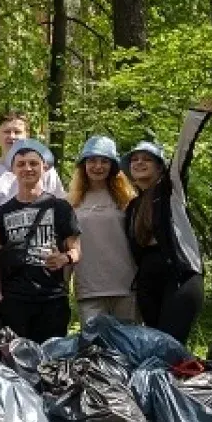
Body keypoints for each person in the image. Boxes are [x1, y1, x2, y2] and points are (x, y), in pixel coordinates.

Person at [0, 110, 65, 343]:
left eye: (17, 131)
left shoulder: (47, 172)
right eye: (7, 131)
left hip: (38, 264)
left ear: (27, 135)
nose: (12, 136)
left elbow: (62, 217)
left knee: (44, 336)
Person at [123, 103, 212, 344]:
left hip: (180, 276)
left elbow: (183, 154)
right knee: (155, 346)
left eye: (147, 160)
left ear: (160, 167)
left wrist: (195, 116)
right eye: (134, 160)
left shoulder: (170, 192)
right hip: (148, 282)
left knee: (170, 345)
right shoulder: (132, 207)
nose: (139, 163)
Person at [0, 140, 82, 343]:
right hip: (14, 300)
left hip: (52, 299)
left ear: (44, 167)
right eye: (21, 164)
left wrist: (64, 259)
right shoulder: (1, 212)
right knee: (17, 362)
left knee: (51, 361)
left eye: (33, 163)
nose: (27, 168)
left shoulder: (60, 207)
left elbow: (76, 250)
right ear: (13, 170)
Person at [67, 136, 139, 324]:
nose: (98, 166)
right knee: (95, 349)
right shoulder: (71, 203)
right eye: (92, 161)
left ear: (113, 166)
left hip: (126, 286)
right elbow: (68, 247)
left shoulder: (128, 199)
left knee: (127, 347)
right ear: (83, 165)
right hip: (89, 288)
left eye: (104, 161)